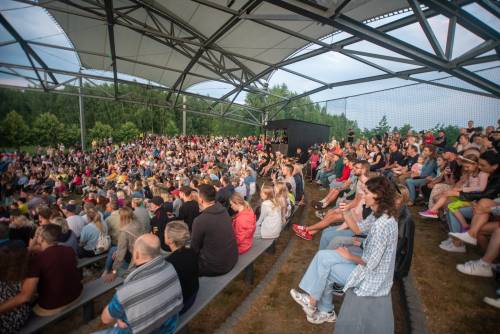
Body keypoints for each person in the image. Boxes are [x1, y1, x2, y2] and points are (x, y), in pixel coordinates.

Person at [290, 176, 399, 326]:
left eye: (366, 192)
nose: (362, 195)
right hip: (367, 264)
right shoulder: (379, 214)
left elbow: (372, 263)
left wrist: (348, 255)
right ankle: (317, 304)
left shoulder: (383, 224)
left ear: (378, 195)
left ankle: (321, 307)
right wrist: (346, 212)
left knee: (327, 267)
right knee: (322, 256)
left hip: (372, 278)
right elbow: (359, 229)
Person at [98, 234, 183, 334]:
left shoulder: (127, 291)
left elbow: (105, 319)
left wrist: (121, 314)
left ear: (137, 255)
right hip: (170, 326)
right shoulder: (169, 267)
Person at [0, 224, 82, 317]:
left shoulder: (37, 260)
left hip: (53, 306)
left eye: (37, 235)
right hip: (77, 294)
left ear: (42, 239)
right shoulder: (68, 250)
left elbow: (25, 296)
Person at [191, 184, 238, 276]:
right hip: (231, 259)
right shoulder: (223, 210)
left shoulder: (200, 220)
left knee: (183, 263)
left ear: (201, 200)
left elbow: (194, 248)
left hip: (216, 267)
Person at [164, 221, 199, 314]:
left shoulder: (170, 263)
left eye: (165, 233)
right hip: (193, 294)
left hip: (182, 303)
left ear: (170, 240)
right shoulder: (191, 251)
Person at [103, 207, 143, 282]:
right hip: (143, 253)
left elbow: (120, 255)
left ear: (121, 218)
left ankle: (106, 271)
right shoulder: (138, 223)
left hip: (134, 260)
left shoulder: (124, 232)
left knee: (114, 253)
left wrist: (114, 271)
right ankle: (106, 270)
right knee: (114, 251)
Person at [0, 246, 31, 333]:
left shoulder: (10, 277)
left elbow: (25, 297)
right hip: (21, 312)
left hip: (14, 317)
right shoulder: (12, 273)